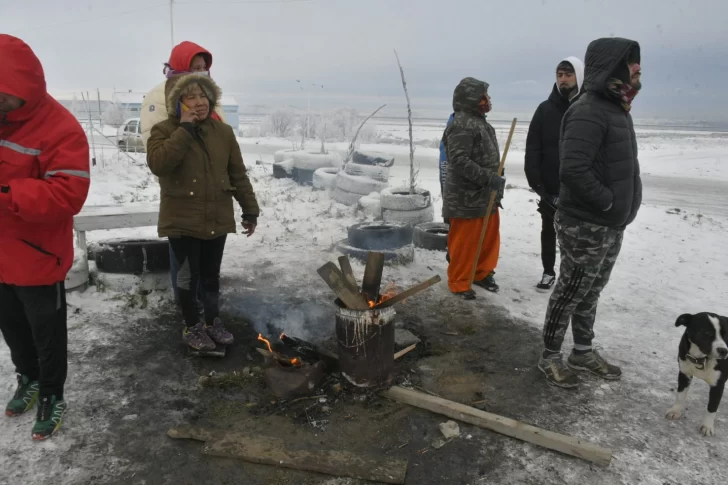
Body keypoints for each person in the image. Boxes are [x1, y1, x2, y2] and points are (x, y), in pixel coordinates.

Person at [538, 37, 642, 388]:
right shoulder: (588, 110)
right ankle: (549, 357)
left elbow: (626, 167)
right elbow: (574, 170)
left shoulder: (617, 109)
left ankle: (582, 351)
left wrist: (629, 203)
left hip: (611, 224)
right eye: (631, 61)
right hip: (585, 223)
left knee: (591, 290)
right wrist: (609, 202)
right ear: (612, 65)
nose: (638, 68)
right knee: (570, 290)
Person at [0, 35, 90, 439]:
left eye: (4, 98)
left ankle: (53, 393)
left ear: (27, 89)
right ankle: (28, 377)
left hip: (38, 256)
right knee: (12, 327)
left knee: (46, 333)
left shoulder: (61, 128)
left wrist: (6, 192)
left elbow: (69, 193)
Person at [146, 72, 259, 351]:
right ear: (177, 103)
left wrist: (250, 210)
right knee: (187, 276)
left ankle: (212, 321)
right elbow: (159, 164)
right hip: (182, 219)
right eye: (190, 96)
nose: (199, 102)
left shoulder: (223, 133)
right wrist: (184, 130)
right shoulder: (163, 130)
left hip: (216, 216)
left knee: (211, 275)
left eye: (203, 95)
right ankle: (192, 325)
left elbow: (237, 174)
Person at [141, 41, 228, 318]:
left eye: (204, 68)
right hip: (182, 191)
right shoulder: (159, 96)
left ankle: (207, 310)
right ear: (180, 68)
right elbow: (157, 150)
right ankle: (188, 312)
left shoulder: (207, 95)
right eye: (195, 68)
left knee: (208, 259)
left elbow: (222, 134)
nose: (201, 73)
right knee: (185, 260)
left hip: (211, 194)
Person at [441, 77, 506, 300]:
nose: (487, 100)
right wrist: (489, 178)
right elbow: (458, 160)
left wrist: (496, 178)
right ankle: (459, 281)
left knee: (487, 239)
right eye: (483, 96)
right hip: (465, 198)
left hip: (486, 197)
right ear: (471, 98)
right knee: (465, 243)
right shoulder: (461, 124)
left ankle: (480, 273)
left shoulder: (479, 122)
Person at [524, 56, 584, 291]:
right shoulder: (544, 109)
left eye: (568, 75)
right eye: (559, 75)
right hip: (550, 188)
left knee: (577, 237)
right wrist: (537, 183)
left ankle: (573, 277)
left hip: (580, 189)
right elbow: (533, 147)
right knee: (548, 231)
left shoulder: (587, 108)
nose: (563, 80)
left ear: (579, 76)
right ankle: (549, 272)